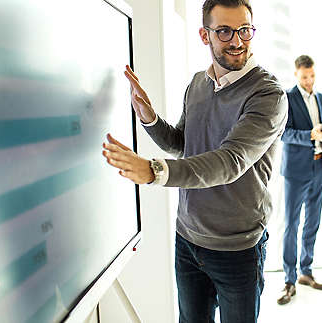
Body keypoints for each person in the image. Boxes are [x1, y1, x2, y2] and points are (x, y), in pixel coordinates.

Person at [102, 0, 288, 322]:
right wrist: (150, 119)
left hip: (238, 249)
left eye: (245, 30)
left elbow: (230, 161)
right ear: (205, 35)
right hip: (187, 240)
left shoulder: (267, 95)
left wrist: (154, 171)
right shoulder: (198, 85)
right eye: (225, 31)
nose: (237, 41)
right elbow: (181, 144)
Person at [277, 55, 322, 305]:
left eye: (312, 76)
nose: (309, 81)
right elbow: (283, 133)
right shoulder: (287, 98)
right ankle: (289, 280)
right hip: (295, 170)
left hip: (318, 167)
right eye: (304, 77)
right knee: (292, 224)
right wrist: (310, 136)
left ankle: (306, 271)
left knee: (312, 222)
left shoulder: (321, 98)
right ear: (296, 75)